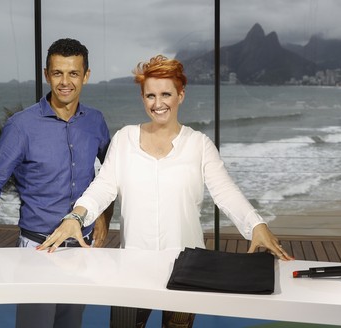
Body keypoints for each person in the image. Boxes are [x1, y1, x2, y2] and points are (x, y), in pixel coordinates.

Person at [37, 55, 294, 328]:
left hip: (187, 270)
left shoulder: (199, 144)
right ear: (142, 98)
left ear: (181, 95)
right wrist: (76, 217)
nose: (157, 103)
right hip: (132, 269)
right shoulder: (124, 139)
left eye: (166, 94)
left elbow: (225, 191)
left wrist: (256, 225)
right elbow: (103, 186)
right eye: (150, 95)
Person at [0, 38, 113, 328]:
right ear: (46, 74)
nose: (65, 82)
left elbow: (110, 174)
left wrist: (105, 216)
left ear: (86, 75)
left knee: (71, 325)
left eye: (73, 73)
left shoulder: (95, 120)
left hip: (83, 247)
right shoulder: (21, 126)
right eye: (57, 73)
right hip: (37, 249)